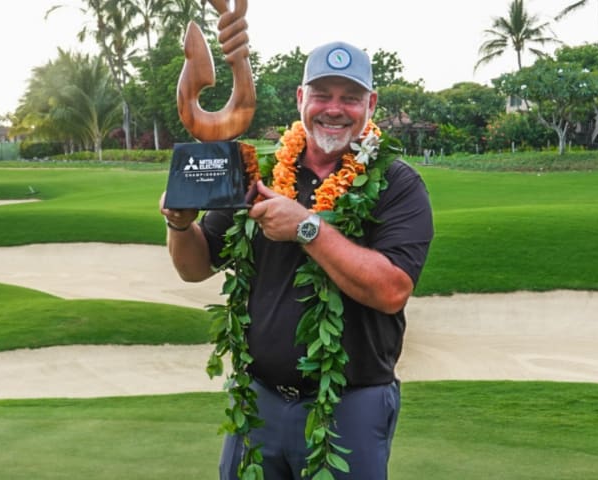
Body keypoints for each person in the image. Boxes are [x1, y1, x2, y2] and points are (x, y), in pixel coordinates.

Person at [160, 40, 433, 480]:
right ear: (301, 98)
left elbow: (391, 291)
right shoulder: (257, 173)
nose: (335, 109)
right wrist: (178, 224)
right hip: (258, 400)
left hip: (351, 406)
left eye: (350, 98)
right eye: (323, 94)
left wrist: (307, 228)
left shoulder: (398, 184)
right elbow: (194, 268)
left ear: (372, 104)